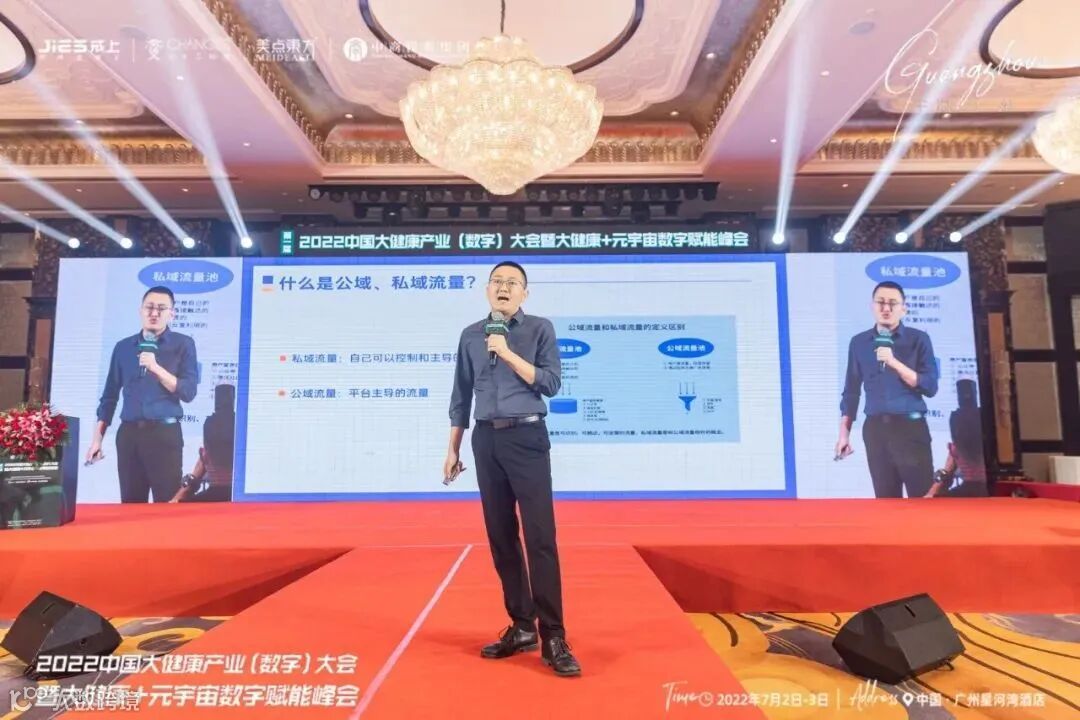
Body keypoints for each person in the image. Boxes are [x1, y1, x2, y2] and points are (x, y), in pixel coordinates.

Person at [444, 261, 580, 677]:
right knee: (501, 536)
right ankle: (522, 626)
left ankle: (553, 635)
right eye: (497, 282)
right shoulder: (470, 335)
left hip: (527, 437)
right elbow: (460, 396)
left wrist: (505, 352)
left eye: (512, 283)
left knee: (540, 538)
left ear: (524, 293)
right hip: (485, 441)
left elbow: (551, 383)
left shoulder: (540, 329)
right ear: (487, 290)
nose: (503, 288)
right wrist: (452, 448)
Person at [87, 286, 198, 503]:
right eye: (149, 307)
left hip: (164, 435)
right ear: (140, 310)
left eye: (161, 308)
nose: (154, 313)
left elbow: (188, 391)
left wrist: (155, 368)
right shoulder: (123, 347)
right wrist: (97, 440)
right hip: (129, 436)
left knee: (166, 505)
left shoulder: (183, 344)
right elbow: (109, 397)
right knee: (130, 504)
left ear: (172, 314)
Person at [835, 281, 939, 498]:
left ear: (904, 309)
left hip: (911, 429)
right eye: (880, 302)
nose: (886, 308)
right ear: (872, 306)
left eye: (893, 303)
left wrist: (893, 362)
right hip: (876, 431)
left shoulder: (919, 339)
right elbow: (851, 391)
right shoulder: (859, 342)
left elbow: (930, 386)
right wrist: (844, 435)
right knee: (885, 500)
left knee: (921, 500)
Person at [171, 385, 235, 503]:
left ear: (203, 455)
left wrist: (192, 481)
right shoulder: (261, 505)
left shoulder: (190, 507)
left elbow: (172, 505)